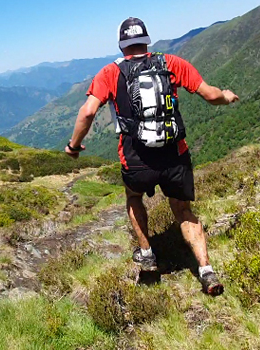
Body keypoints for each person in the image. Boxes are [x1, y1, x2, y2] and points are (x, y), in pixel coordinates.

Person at [65, 17, 239, 296]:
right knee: (183, 211)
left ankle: (147, 253)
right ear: (147, 40)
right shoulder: (171, 63)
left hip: (136, 159)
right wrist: (227, 96)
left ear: (122, 45)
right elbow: (209, 94)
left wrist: (74, 146)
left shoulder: (110, 73)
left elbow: (87, 112)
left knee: (133, 198)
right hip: (174, 155)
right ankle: (206, 270)